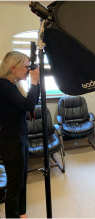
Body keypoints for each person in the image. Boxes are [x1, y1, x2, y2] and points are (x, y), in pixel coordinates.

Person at [0, 51, 40, 218]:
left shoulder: (14, 85)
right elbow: (29, 105)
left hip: (20, 137)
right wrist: (35, 81)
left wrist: (34, 83)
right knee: (15, 184)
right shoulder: (3, 85)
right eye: (25, 66)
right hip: (11, 141)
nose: (27, 69)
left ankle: (21, 213)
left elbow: (30, 103)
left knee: (22, 179)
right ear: (13, 68)